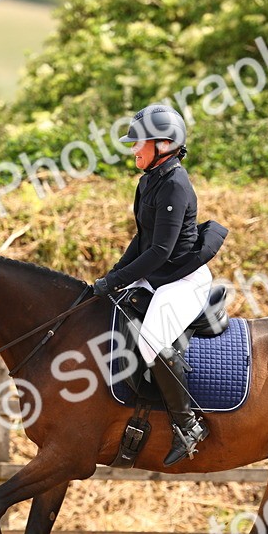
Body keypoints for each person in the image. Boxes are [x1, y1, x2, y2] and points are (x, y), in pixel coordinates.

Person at [92, 104, 220, 466]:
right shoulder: (150, 179)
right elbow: (143, 239)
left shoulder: (176, 184)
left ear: (164, 144)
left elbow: (162, 251)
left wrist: (118, 279)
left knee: (152, 344)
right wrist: (112, 277)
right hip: (159, 274)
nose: (134, 150)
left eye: (139, 144)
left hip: (183, 279)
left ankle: (188, 424)